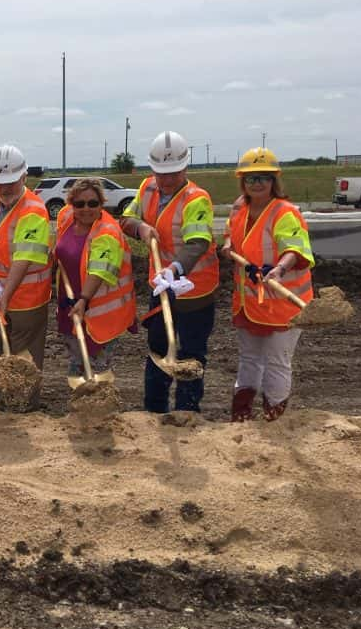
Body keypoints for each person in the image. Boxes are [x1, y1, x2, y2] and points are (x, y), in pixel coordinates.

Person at [121, 130, 219, 415]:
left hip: (194, 289)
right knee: (158, 350)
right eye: (160, 173)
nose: (165, 180)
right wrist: (139, 227)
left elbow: (197, 243)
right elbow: (126, 218)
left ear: (185, 167)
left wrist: (175, 270)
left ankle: (187, 412)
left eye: (172, 173)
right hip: (160, 287)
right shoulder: (146, 188)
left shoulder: (196, 199)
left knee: (190, 354)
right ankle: (154, 411)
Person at [221, 148, 314, 421]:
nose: (257, 183)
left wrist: (279, 269)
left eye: (264, 177)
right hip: (250, 303)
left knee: (276, 361)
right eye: (251, 178)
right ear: (243, 182)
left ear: (274, 181)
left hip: (284, 306)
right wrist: (228, 245)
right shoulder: (240, 208)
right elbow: (231, 233)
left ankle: (274, 416)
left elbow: (295, 249)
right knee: (249, 358)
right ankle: (242, 415)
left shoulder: (285, 212)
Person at [0, 144, 52, 403]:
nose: (4, 189)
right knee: (3, 349)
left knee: (24, 354)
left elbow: (24, 259)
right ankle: (6, 401)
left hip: (27, 296)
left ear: (24, 178)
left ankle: (26, 406)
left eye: (11, 183)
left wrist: (5, 296)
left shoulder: (34, 211)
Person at [54, 178, 136, 379]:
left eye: (93, 203)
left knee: (98, 367)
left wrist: (83, 299)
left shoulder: (107, 232)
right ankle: (79, 406)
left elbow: (98, 271)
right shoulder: (66, 218)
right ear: (71, 204)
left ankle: (99, 407)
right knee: (76, 363)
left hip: (100, 312)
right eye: (79, 204)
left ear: (102, 203)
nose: (86, 209)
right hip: (70, 304)